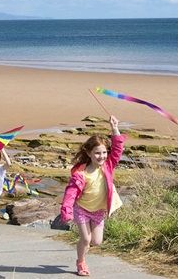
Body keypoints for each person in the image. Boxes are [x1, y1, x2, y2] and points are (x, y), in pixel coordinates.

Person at [59, 115, 125, 277]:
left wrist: (114, 128)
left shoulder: (108, 166)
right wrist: (66, 210)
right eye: (97, 153)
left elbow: (117, 150)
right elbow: (70, 194)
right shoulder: (80, 173)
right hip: (82, 209)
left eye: (103, 152)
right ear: (88, 153)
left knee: (97, 241)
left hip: (98, 211)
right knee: (86, 240)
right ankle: (81, 262)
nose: (101, 156)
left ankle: (83, 250)